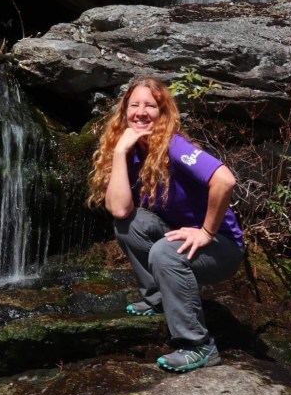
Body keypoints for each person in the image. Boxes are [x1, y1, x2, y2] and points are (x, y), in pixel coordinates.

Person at [87, 76, 244, 373]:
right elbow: (119, 209)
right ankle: (159, 300)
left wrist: (206, 231)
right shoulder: (131, 151)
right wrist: (119, 152)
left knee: (164, 252)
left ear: (163, 112)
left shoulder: (174, 146)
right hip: (180, 235)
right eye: (134, 105)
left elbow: (225, 180)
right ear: (124, 111)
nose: (141, 112)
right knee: (129, 224)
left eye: (150, 106)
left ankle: (198, 345)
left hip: (221, 246)